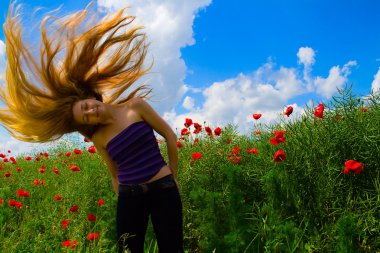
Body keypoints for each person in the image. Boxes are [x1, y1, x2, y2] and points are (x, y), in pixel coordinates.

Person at [0, 3, 183, 253]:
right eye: (85, 117)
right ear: (88, 124)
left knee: (171, 248)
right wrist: (121, 195)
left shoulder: (136, 106)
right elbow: (114, 173)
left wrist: (173, 172)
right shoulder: (99, 137)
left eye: (85, 106)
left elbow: (170, 135)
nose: (89, 111)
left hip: (164, 189)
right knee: (129, 250)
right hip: (130, 197)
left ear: (90, 97)